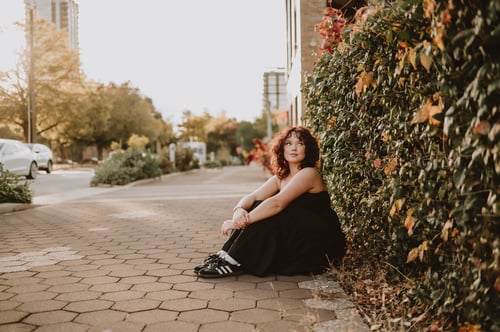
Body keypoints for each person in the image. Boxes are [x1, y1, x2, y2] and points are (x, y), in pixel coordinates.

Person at [195, 126, 346, 278]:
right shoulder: (280, 178)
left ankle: (232, 261)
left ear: (308, 149)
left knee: (270, 211)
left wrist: (238, 223)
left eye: (300, 143)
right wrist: (239, 210)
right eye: (288, 143)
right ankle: (225, 256)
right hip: (298, 238)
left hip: (319, 244)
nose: (293, 148)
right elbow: (253, 197)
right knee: (257, 206)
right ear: (282, 148)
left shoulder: (309, 173)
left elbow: (277, 203)